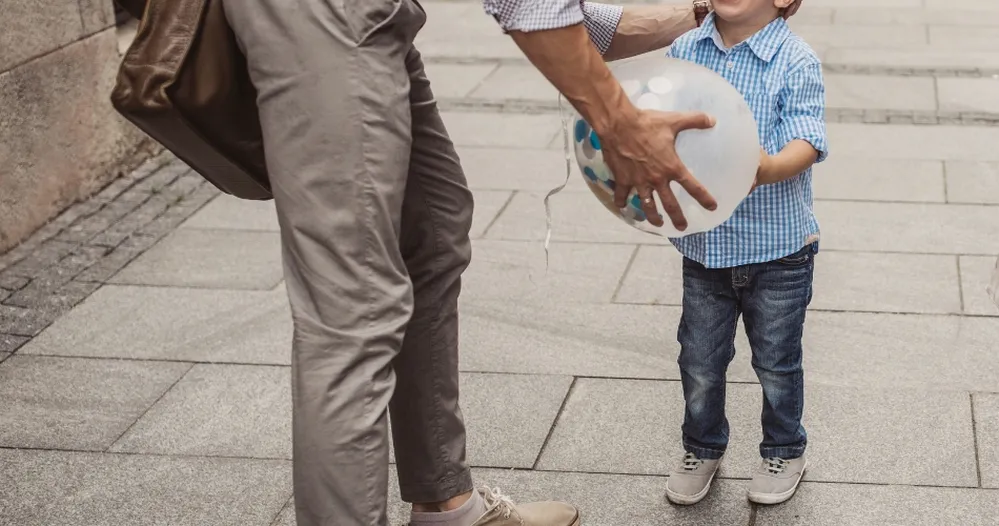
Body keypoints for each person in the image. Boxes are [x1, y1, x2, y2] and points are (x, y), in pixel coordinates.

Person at [219, 0, 801, 525]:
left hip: (383, 20)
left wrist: (701, 13)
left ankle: (446, 504)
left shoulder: (784, 57)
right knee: (352, 308)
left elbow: (549, 9)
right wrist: (617, 121)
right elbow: (531, 4)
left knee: (434, 232)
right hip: (324, 16)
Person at [656, 0, 828, 507]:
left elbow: (809, 136)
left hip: (778, 250)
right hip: (706, 249)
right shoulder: (686, 49)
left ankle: (784, 448)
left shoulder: (795, 59)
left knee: (776, 361)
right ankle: (702, 446)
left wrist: (768, 166)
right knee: (700, 360)